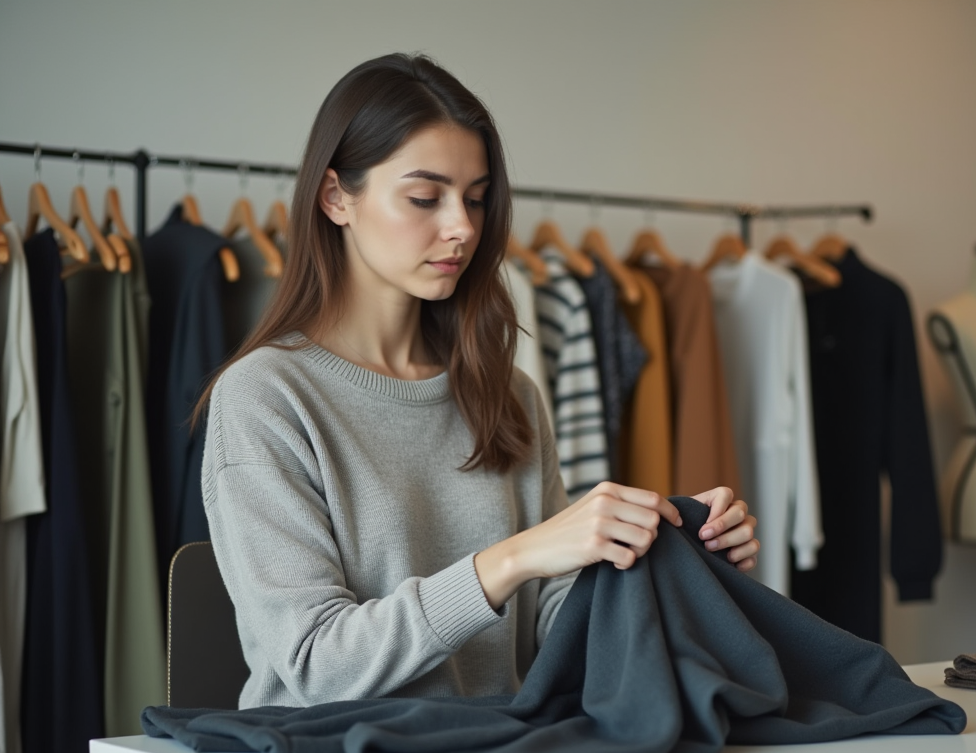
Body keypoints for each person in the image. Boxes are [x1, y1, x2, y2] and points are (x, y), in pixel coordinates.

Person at [194, 53, 760, 711]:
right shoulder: (265, 397)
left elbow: (558, 636)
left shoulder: (509, 396)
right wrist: (513, 559)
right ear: (335, 197)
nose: (462, 226)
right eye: (424, 197)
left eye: (476, 198)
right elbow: (317, 666)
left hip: (493, 751)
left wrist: (681, 563)